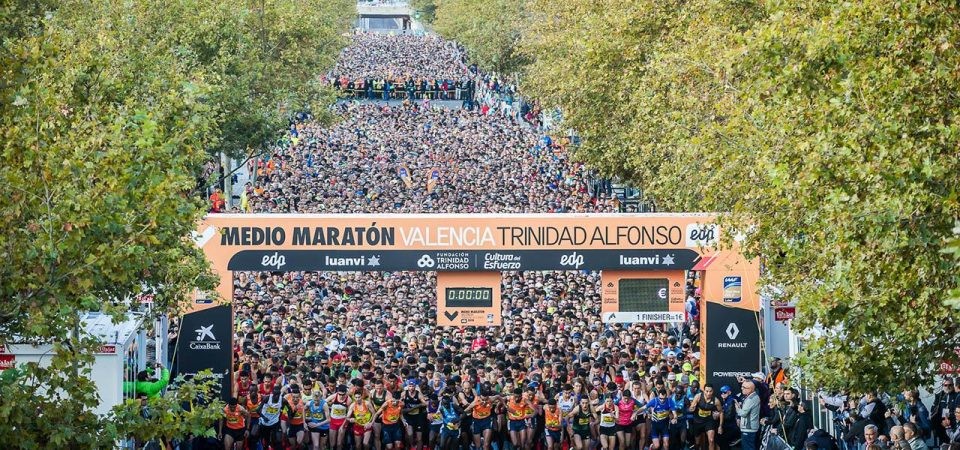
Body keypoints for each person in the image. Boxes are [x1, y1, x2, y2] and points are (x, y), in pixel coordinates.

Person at [690, 384, 723, 450]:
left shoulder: (716, 400)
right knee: (697, 443)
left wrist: (720, 426)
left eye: (710, 391)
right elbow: (691, 408)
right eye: (707, 391)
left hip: (708, 421)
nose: (708, 393)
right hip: (698, 421)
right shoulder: (698, 396)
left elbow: (721, 412)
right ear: (704, 391)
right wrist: (692, 408)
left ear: (713, 391)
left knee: (711, 440)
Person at [738, 380, 761, 450]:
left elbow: (743, 414)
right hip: (749, 428)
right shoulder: (752, 396)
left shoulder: (751, 399)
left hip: (749, 428)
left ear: (750, 389)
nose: (741, 388)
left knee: (748, 448)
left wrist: (737, 408)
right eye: (742, 386)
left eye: (744, 387)